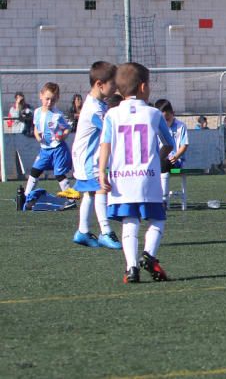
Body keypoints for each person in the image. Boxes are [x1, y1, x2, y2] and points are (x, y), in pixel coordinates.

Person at [98, 62, 176, 284]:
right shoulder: (153, 113)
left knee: (129, 221)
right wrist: (156, 158)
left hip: (121, 178)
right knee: (157, 218)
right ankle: (149, 255)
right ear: (143, 87)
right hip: (147, 178)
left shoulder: (111, 115)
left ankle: (131, 268)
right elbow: (169, 144)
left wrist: (102, 171)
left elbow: (105, 144)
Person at [70, 61, 122, 249]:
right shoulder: (95, 109)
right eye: (113, 84)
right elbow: (110, 131)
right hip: (87, 158)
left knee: (91, 193)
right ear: (100, 84)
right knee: (101, 188)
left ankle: (82, 232)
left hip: (85, 156)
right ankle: (106, 232)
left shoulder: (96, 103)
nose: (115, 88)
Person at [23, 82, 74, 199]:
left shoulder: (57, 115)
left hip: (58, 149)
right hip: (44, 150)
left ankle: (71, 199)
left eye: (53, 100)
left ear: (57, 99)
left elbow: (67, 128)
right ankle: (25, 196)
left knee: (59, 174)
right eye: (47, 99)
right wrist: (37, 136)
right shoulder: (37, 112)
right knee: (35, 171)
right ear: (41, 95)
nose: (49, 102)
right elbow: (36, 128)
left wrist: (62, 136)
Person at [154, 99, 189, 208]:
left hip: (175, 161)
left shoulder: (180, 126)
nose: (166, 121)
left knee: (163, 162)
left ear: (172, 113)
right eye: (163, 119)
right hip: (158, 160)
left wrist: (176, 156)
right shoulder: (155, 126)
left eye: (167, 118)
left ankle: (163, 199)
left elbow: (185, 144)